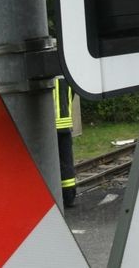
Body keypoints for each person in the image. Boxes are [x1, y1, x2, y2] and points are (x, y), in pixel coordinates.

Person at [54, 76, 77, 209]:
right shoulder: (66, 75)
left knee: (48, 163)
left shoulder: (45, 76)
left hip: (49, 126)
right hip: (65, 124)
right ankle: (69, 198)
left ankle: (53, 195)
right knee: (66, 162)